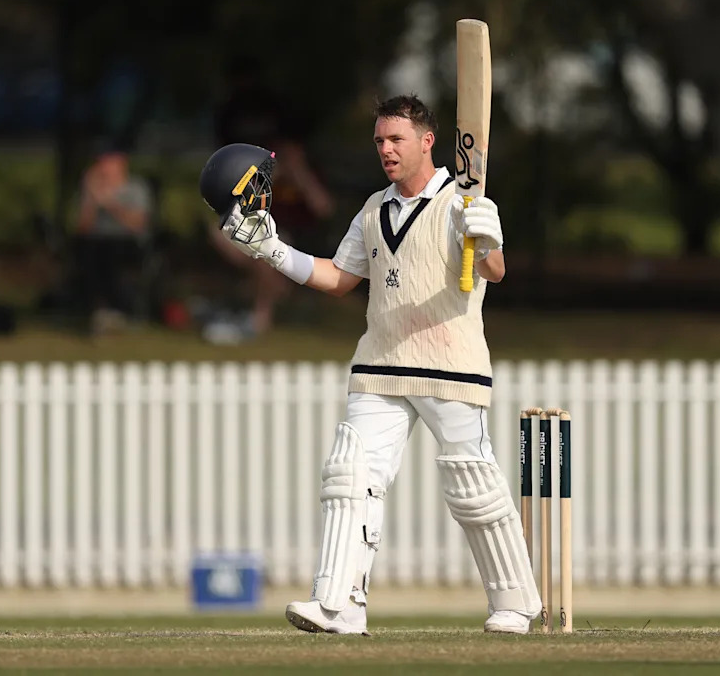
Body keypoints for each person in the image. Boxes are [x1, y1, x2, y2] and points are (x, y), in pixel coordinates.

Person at [198, 95, 540, 635]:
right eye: (380, 140)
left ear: (427, 141)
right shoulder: (374, 208)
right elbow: (339, 278)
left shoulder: (462, 202)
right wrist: (272, 250)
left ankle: (516, 604)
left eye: (396, 139)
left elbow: (493, 271)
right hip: (379, 364)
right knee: (350, 475)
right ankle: (339, 605)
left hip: (450, 365)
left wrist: (490, 240)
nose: (386, 149)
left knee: (472, 483)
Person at [202, 63, 334, 344]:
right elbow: (239, 206)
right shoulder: (260, 174)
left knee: (263, 248)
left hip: (295, 235)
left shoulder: (307, 174)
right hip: (263, 230)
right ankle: (270, 293)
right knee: (238, 238)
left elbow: (324, 208)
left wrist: (300, 176)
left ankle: (260, 318)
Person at [72, 144, 153, 333]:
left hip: (127, 243)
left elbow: (138, 224)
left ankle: (119, 310)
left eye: (108, 162)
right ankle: (98, 311)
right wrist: (91, 199)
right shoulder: (92, 190)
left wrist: (109, 203)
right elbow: (82, 228)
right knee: (89, 251)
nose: (103, 166)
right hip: (96, 244)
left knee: (111, 253)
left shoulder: (135, 188)